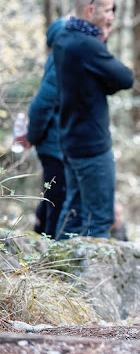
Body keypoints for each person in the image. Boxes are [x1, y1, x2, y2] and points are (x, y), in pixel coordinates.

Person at [53, 0, 133, 240]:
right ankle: (90, 279)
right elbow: (125, 78)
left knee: (73, 211)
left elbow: (97, 82)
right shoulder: (87, 46)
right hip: (92, 145)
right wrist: (101, 43)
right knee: (100, 216)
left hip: (69, 139)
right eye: (108, 10)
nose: (111, 16)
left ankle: (59, 274)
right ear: (90, 11)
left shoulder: (64, 36)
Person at [26, 17, 68, 238]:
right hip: (54, 146)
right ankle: (47, 248)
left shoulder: (56, 58)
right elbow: (42, 104)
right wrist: (33, 136)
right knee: (55, 197)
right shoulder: (59, 59)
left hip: (54, 144)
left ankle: (39, 238)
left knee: (51, 195)